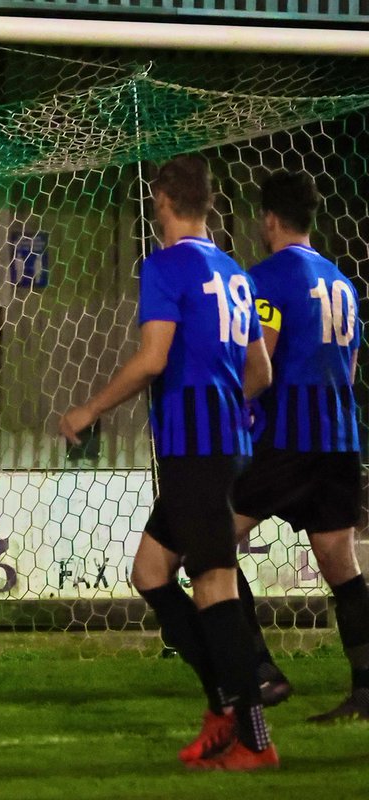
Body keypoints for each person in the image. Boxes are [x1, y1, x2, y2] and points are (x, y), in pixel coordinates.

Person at [60, 155, 278, 770]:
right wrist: (222, 403)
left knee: (213, 584)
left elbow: (153, 359)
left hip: (196, 453)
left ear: (160, 201)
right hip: (226, 446)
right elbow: (259, 372)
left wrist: (88, 410)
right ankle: (221, 703)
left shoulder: (164, 265)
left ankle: (253, 734)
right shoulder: (236, 272)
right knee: (151, 573)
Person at [229, 171, 369, 723]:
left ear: (268, 219)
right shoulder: (343, 284)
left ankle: (262, 672)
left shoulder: (266, 279)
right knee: (342, 567)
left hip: (287, 441)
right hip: (340, 441)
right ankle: (364, 692)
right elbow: (349, 368)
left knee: (210, 542)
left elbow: (259, 366)